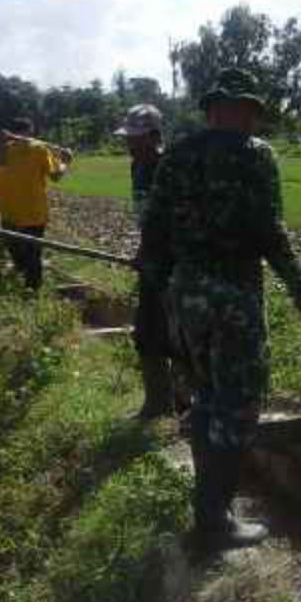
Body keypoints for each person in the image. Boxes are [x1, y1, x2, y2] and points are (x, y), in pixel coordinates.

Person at [139, 67, 301, 549]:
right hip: (233, 295)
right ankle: (214, 520)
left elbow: (153, 226)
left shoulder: (177, 154)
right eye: (247, 111)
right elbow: (270, 231)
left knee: (205, 397)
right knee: (239, 404)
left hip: (186, 295)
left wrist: (160, 282)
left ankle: (209, 508)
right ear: (230, 110)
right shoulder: (256, 156)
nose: (251, 121)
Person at [115, 104, 187, 420]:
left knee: (180, 335)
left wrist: (155, 254)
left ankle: (186, 403)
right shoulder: (137, 167)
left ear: (155, 136)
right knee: (146, 333)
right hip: (152, 263)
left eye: (136, 137)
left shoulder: (170, 167)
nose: (129, 143)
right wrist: (143, 251)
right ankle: (158, 404)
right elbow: (148, 221)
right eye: (128, 137)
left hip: (177, 266)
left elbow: (179, 220)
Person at [0, 117, 69, 290]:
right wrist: (65, 162)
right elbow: (55, 176)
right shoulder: (39, 148)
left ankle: (22, 279)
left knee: (16, 250)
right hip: (34, 214)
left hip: (9, 213)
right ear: (29, 131)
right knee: (33, 255)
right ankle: (32, 291)